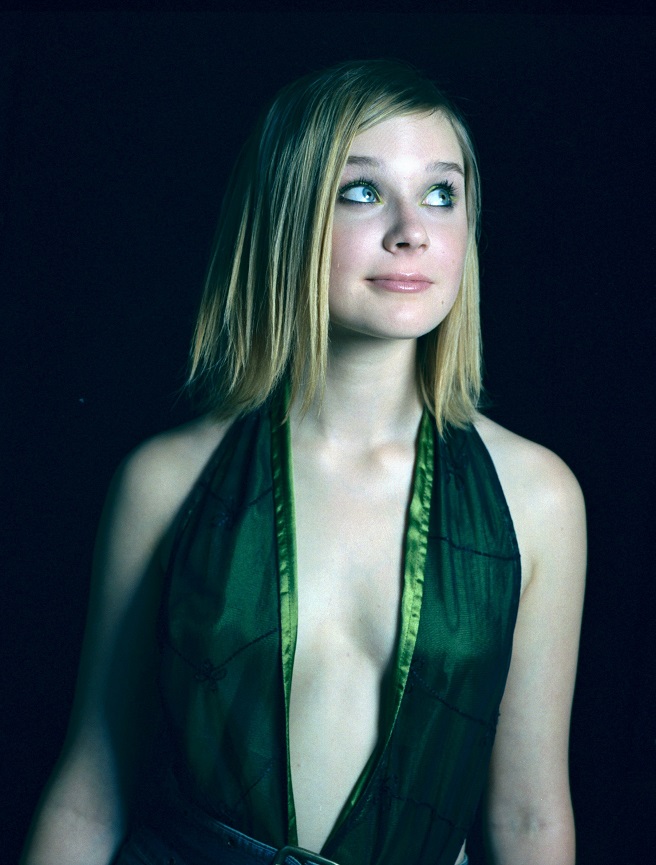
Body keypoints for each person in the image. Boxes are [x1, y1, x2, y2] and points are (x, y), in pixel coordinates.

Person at [21, 59, 586, 865]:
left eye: (441, 193)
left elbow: (529, 818)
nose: (412, 230)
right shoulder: (166, 482)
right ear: (288, 217)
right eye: (361, 191)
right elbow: (89, 791)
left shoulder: (537, 496)